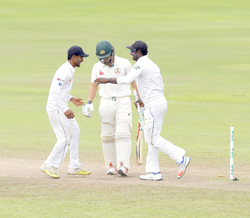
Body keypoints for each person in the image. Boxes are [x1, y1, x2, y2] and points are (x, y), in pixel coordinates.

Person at [94, 40, 191, 181]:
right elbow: (157, 85)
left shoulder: (142, 63)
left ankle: (180, 159)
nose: (130, 53)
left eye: (132, 51)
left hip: (154, 106)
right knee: (150, 139)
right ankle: (154, 172)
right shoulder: (151, 64)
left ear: (139, 52)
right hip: (156, 103)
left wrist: (107, 80)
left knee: (153, 139)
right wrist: (142, 100)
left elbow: (128, 78)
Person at [82, 40, 140, 176]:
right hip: (105, 101)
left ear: (112, 52)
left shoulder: (124, 63)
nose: (105, 60)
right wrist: (89, 102)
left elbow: (133, 82)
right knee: (107, 135)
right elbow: (94, 85)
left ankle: (123, 165)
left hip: (122, 100)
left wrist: (138, 99)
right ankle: (110, 165)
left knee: (122, 133)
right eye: (102, 58)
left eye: (107, 57)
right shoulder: (97, 67)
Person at [40, 45, 91, 179]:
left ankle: (74, 166)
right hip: (56, 108)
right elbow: (54, 91)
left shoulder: (70, 69)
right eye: (81, 58)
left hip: (60, 106)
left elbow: (61, 91)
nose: (82, 60)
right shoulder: (64, 71)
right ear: (74, 57)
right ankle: (48, 165)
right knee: (64, 138)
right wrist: (65, 109)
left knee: (75, 132)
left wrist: (71, 98)